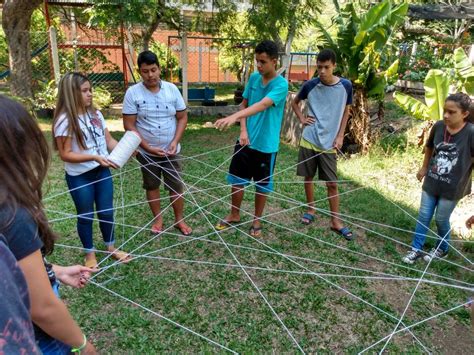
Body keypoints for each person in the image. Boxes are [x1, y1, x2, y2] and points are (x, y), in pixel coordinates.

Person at [0, 94, 96, 354]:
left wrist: (56, 271)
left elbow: (9, 266)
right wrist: (83, 345)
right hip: (35, 338)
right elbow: (42, 308)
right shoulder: (11, 215)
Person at [53, 72, 130, 268]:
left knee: (106, 211)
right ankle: (89, 253)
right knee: (85, 215)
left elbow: (109, 141)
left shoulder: (96, 114)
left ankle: (110, 247)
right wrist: (94, 157)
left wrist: (128, 150)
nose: (90, 94)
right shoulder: (65, 120)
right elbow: (65, 154)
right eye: (85, 91)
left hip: (101, 171)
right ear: (71, 93)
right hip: (80, 176)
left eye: (90, 90)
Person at [214, 40, 289, 237]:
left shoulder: (281, 84)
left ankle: (257, 219)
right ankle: (234, 214)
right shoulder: (254, 78)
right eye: (257, 61)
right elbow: (244, 104)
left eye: (263, 61)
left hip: (266, 144)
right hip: (245, 141)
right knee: (237, 179)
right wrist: (243, 131)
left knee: (261, 185)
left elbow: (264, 104)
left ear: (274, 61)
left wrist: (233, 117)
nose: (259, 65)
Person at [122, 50, 192, 236]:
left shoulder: (171, 89)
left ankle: (179, 220)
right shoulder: (132, 93)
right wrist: (146, 147)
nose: (150, 75)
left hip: (171, 150)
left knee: (176, 185)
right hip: (147, 152)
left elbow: (183, 117)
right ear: (139, 72)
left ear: (160, 69)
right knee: (152, 185)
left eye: (153, 70)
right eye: (145, 71)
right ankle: (158, 220)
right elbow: (129, 124)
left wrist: (175, 141)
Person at [402, 93, 474, 264]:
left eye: (452, 112)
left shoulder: (471, 133)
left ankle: (442, 248)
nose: (446, 115)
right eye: (444, 111)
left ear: (464, 114)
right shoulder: (439, 126)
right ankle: (415, 249)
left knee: (441, 218)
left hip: (453, 187)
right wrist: (425, 166)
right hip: (432, 181)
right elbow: (429, 147)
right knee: (424, 215)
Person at [291, 48, 354, 240]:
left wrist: (340, 136)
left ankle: (335, 220)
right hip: (310, 138)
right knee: (308, 177)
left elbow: (347, 111)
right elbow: (295, 102)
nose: (323, 71)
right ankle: (311, 209)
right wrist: (302, 119)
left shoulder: (346, 86)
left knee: (332, 183)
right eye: (319, 67)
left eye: (326, 67)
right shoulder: (310, 85)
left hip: (329, 142)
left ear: (334, 66)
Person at [0, 235, 40, 354]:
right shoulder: (18, 221)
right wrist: (82, 344)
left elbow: (20, 265)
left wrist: (53, 271)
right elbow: (42, 308)